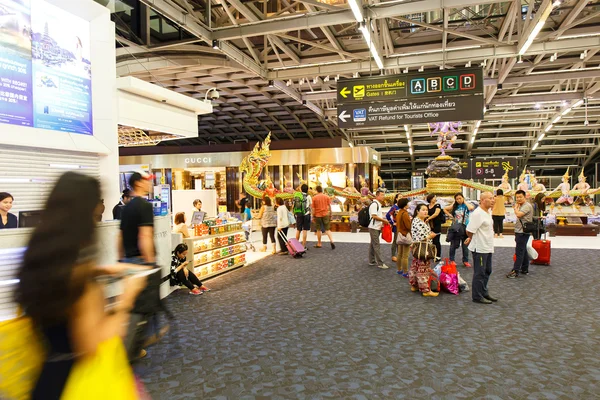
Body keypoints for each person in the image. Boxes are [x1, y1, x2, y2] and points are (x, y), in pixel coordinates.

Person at [15, 172, 148, 400]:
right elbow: (92, 343)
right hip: (80, 384)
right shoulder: (82, 282)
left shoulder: (39, 260)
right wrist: (126, 300)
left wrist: (100, 270)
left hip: (48, 378)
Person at [465, 192, 498, 304]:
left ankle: (484, 292)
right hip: (479, 247)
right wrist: (471, 238)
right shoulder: (477, 213)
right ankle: (477, 296)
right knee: (480, 272)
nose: (493, 200)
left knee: (488, 270)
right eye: (490, 198)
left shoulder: (488, 212)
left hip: (488, 246)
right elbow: (469, 230)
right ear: (483, 200)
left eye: (493, 198)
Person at [119, 172, 155, 264]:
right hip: (141, 260)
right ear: (138, 183)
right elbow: (145, 235)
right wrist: (150, 262)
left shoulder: (126, 207)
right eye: (147, 180)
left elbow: (120, 236)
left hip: (128, 260)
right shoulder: (145, 206)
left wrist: (119, 259)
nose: (150, 183)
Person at [410, 204, 438, 296]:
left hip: (417, 247)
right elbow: (423, 237)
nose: (425, 212)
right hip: (423, 248)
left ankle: (414, 285)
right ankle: (425, 290)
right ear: (418, 211)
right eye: (423, 210)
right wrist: (431, 235)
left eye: (426, 210)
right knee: (423, 269)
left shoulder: (418, 220)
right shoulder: (419, 222)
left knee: (415, 266)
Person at [507, 190, 533, 278]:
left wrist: (515, 208)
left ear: (524, 197)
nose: (518, 199)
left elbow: (518, 214)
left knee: (519, 251)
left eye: (520, 197)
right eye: (517, 197)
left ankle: (515, 271)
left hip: (523, 231)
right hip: (520, 230)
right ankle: (525, 269)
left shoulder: (526, 206)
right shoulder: (522, 205)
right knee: (523, 250)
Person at [444, 193, 474, 268]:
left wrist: (465, 202)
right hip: (456, 228)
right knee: (453, 244)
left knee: (465, 245)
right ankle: (452, 260)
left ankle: (465, 260)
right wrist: (450, 215)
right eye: (457, 199)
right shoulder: (455, 205)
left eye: (460, 198)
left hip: (465, 227)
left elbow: (471, 208)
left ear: (463, 198)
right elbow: (444, 209)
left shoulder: (466, 205)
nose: (458, 200)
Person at [368, 190, 390, 269]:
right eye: (382, 195)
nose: (383, 196)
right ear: (377, 196)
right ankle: (380, 263)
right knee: (376, 245)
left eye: (383, 195)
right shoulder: (374, 204)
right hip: (374, 227)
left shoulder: (377, 204)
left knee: (373, 244)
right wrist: (384, 220)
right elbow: (374, 216)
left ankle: (371, 260)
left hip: (376, 227)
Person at [312, 185, 336, 250]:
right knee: (327, 229)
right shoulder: (327, 197)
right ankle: (332, 241)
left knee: (318, 229)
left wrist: (313, 216)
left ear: (316, 190)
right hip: (325, 214)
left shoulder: (314, 198)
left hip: (317, 215)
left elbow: (313, 208)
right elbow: (329, 206)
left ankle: (319, 243)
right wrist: (331, 214)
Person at [395, 197, 411, 277]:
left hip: (399, 234)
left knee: (399, 254)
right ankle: (405, 271)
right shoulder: (405, 213)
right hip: (405, 234)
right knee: (405, 255)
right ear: (405, 205)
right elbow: (408, 226)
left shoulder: (399, 213)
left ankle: (399, 269)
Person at [294, 184, 312, 248]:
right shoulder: (309, 196)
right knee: (305, 230)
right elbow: (310, 206)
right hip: (306, 214)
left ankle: (296, 246)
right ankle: (303, 245)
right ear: (307, 190)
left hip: (299, 214)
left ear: (301, 189)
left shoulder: (297, 195)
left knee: (298, 230)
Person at [425, 194, 443, 261]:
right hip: (429, 225)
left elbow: (436, 213)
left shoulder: (437, 205)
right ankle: (432, 254)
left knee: (436, 240)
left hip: (436, 225)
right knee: (430, 240)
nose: (435, 198)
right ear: (430, 198)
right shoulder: (427, 206)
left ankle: (438, 255)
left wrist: (429, 218)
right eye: (434, 197)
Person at [386, 193, 402, 262]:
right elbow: (387, 215)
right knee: (395, 241)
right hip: (397, 227)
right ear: (396, 199)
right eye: (400, 197)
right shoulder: (394, 207)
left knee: (400, 241)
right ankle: (393, 255)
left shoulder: (402, 207)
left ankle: (399, 255)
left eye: (402, 197)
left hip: (402, 226)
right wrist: (392, 223)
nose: (401, 198)